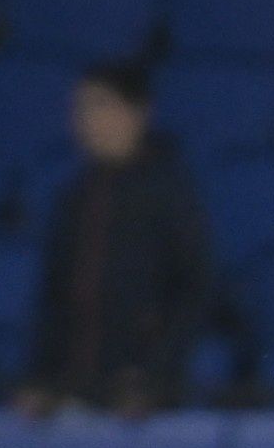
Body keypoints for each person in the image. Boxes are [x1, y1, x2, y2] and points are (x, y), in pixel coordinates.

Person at [18, 64, 211, 418]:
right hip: (71, 396)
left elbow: (191, 292)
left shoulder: (169, 195)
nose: (87, 120)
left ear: (137, 112)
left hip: (140, 402)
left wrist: (153, 378)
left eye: (101, 105)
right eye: (81, 109)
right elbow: (53, 296)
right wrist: (41, 378)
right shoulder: (73, 198)